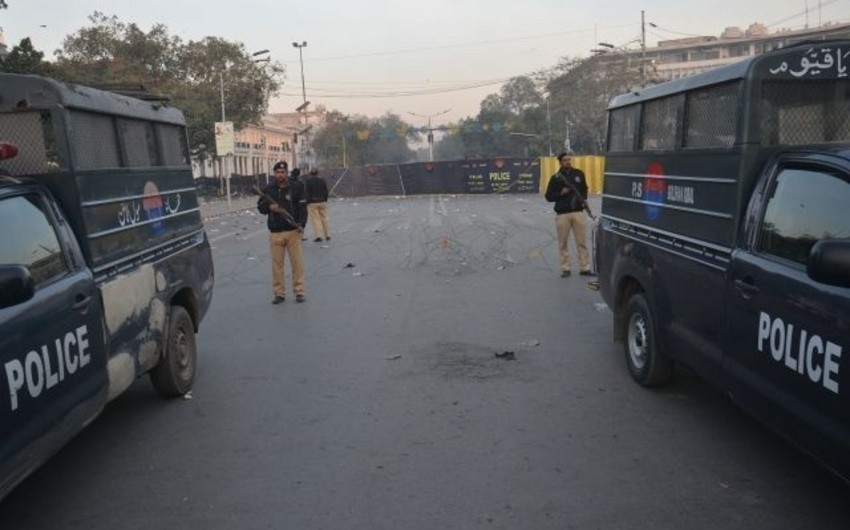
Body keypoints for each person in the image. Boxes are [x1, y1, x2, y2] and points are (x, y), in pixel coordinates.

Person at [257, 161, 306, 304]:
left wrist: (302, 225)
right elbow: (260, 208)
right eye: (278, 172)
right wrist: (269, 208)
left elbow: (303, 208)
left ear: (287, 173)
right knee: (277, 266)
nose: (280, 175)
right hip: (275, 232)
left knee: (297, 264)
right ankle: (279, 294)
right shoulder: (268, 189)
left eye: (283, 172)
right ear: (274, 173)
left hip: (293, 231)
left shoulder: (296, 187)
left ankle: (299, 291)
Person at [545, 152, 594, 277]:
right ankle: (565, 268)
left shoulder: (579, 173)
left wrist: (583, 200)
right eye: (565, 160)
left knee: (581, 242)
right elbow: (548, 196)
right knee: (563, 243)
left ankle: (585, 267)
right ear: (560, 162)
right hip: (562, 214)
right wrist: (561, 193)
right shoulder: (556, 178)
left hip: (578, 212)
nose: (568, 162)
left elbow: (584, 189)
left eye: (569, 160)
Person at [305, 168, 331, 242]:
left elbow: (307, 192)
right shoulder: (322, 180)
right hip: (322, 201)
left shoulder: (308, 181)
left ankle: (318, 236)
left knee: (316, 220)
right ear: (317, 173)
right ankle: (327, 235)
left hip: (312, 203)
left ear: (311, 174)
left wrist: (307, 202)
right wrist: (325, 200)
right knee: (325, 218)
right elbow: (326, 191)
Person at [289, 168, 309, 240]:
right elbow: (301, 194)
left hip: (291, 204)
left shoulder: (288, 182)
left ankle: (296, 235)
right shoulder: (299, 183)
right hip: (299, 203)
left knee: (294, 219)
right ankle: (300, 235)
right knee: (302, 219)